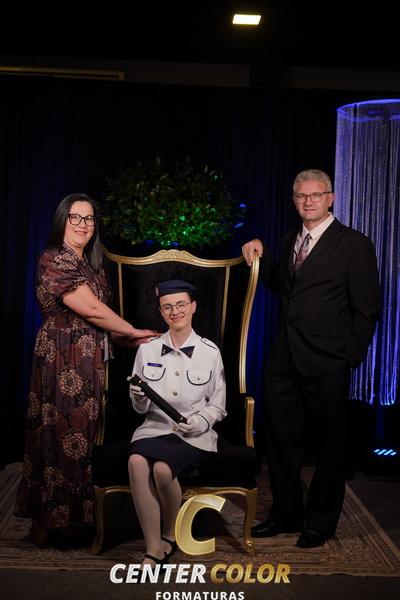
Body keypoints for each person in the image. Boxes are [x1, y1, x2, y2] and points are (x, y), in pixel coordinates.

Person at [242, 169, 380, 548]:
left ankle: (320, 522)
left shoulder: (354, 244)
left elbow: (367, 309)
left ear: (330, 198)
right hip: (284, 359)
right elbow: (286, 286)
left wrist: (348, 357)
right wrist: (260, 255)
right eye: (301, 196)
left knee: (328, 446)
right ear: (294, 200)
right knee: (280, 441)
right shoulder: (290, 239)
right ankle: (286, 513)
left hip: (327, 361)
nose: (308, 201)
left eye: (316, 195)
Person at [15, 193, 158, 548]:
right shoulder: (54, 258)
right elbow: (91, 310)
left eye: (89, 218)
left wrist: (131, 340)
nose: (83, 224)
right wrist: (131, 330)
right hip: (61, 356)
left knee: (83, 437)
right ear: (62, 221)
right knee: (58, 435)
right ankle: (49, 520)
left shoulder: (92, 265)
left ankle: (77, 517)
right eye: (75, 217)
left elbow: (98, 319)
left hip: (90, 358)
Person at [128, 279, 226, 567]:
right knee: (136, 462)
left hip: (193, 435)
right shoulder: (147, 350)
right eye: (168, 307)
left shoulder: (210, 352)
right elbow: (139, 408)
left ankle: (169, 535)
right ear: (161, 312)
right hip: (153, 428)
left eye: (181, 305)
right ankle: (153, 548)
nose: (175, 312)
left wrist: (200, 421)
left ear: (193, 307)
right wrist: (138, 397)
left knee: (162, 469)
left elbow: (218, 406)